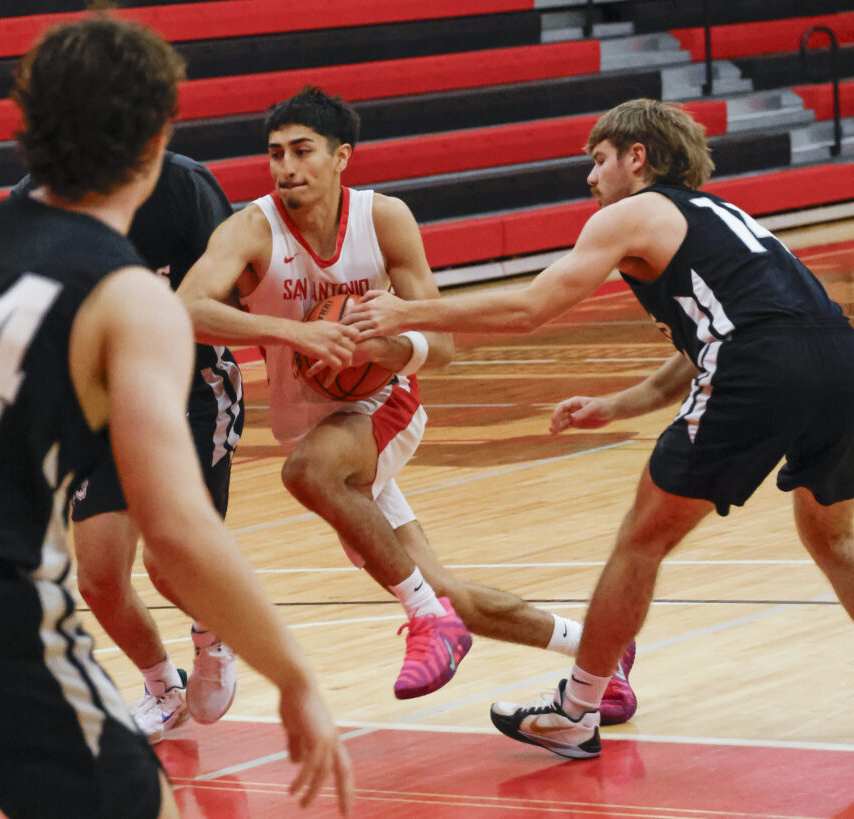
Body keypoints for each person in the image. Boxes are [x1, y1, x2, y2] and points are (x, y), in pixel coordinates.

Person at [0, 17, 352, 818]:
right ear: (156, 136)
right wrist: (295, 675)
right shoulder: (125, 292)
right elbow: (177, 528)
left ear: (27, 122)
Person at [348, 97, 854, 759]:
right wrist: (620, 404)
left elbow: (533, 306)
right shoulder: (722, 216)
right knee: (832, 537)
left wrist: (403, 313)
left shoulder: (633, 213)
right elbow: (708, 341)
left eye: (599, 160)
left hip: (761, 363)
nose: (590, 178)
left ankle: (577, 708)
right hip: (839, 358)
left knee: (639, 540)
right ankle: (585, 699)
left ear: (636, 157)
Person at [178, 86, 637, 718]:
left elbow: (441, 346)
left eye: (302, 151)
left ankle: (429, 621)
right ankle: (600, 653)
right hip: (312, 422)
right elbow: (187, 308)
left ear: (341, 157)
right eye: (275, 153)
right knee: (442, 587)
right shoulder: (251, 229)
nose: (286, 168)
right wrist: (295, 332)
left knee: (308, 475)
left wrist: (379, 351)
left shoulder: (383, 218)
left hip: (384, 404)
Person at [14, 149, 245, 742]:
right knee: (97, 574)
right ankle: (162, 688)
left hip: (193, 392)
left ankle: (212, 629)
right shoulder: (36, 200)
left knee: (171, 561)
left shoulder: (184, 187)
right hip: (105, 404)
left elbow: (232, 301)